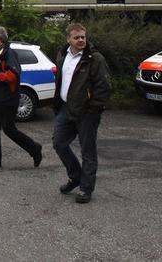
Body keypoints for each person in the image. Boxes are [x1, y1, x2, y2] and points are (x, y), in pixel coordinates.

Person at [52, 23, 112, 204]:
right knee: (59, 143)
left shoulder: (95, 58)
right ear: (68, 39)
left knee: (88, 151)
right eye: (76, 37)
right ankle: (76, 176)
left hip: (87, 112)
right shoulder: (62, 55)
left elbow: (104, 86)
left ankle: (86, 188)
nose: (80, 40)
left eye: (83, 37)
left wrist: (94, 109)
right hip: (65, 108)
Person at [0, 26, 43, 169]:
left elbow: (12, 75)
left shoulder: (9, 53)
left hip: (7, 99)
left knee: (9, 129)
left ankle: (34, 148)